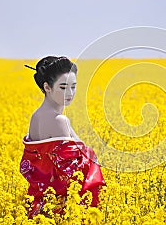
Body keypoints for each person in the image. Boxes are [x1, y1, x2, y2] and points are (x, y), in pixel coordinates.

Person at [20, 56, 106, 218]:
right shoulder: (59, 121)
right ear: (47, 87)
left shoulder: (35, 117)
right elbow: (72, 171)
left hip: (39, 205)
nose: (70, 93)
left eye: (73, 87)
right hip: (62, 210)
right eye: (63, 87)